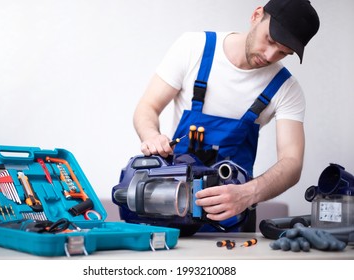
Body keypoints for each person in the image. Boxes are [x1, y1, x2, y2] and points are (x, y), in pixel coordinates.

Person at [133, 0, 320, 231]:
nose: (271, 55)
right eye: (269, 40)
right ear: (256, 15)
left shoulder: (286, 89)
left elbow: (292, 163)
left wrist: (247, 193)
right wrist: (151, 135)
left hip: (234, 219)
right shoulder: (194, 48)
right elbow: (147, 107)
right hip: (172, 208)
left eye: (284, 52)